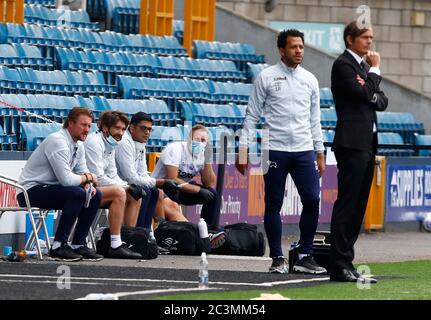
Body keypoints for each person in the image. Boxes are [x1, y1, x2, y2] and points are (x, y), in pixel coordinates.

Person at [236, 29, 326, 274]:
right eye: (294, 47)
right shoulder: (266, 77)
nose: (299, 51)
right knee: (273, 203)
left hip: (304, 149)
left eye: (301, 47)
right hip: (274, 149)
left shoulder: (310, 79)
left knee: (312, 199)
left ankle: (305, 255)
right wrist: (243, 147)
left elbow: (315, 119)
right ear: (282, 50)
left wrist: (320, 151)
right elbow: (252, 115)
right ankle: (277, 258)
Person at [329, 21, 387, 283]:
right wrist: (374, 73)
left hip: (366, 144)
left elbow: (381, 101)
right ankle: (339, 263)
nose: (370, 42)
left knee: (358, 207)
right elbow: (363, 92)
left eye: (371, 37)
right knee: (348, 204)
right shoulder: (344, 65)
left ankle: (347, 261)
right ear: (350, 39)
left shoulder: (362, 67)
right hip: (351, 143)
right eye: (365, 37)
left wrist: (370, 83)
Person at [17, 107, 103, 262]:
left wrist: (88, 183)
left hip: (52, 188)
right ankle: (58, 246)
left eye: (89, 126)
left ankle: (78, 244)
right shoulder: (57, 140)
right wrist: (89, 177)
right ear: (70, 123)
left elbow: (82, 173)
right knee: (77, 193)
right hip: (30, 191)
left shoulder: (79, 145)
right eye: (83, 125)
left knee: (95, 194)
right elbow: (67, 180)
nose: (87, 130)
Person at [84, 110, 142, 259]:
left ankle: (126, 240)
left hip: (96, 187)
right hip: (85, 187)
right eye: (117, 128)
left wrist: (129, 186)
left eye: (123, 129)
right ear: (105, 128)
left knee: (134, 196)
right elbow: (99, 178)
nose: (121, 133)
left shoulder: (111, 144)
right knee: (120, 192)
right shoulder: (93, 142)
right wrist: (126, 187)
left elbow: (113, 174)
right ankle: (114, 245)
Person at [115, 112, 185, 228]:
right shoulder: (124, 143)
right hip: (119, 183)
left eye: (149, 129)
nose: (147, 132)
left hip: (129, 183)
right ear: (132, 128)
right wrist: (159, 182)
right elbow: (130, 177)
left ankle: (147, 232)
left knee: (155, 192)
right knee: (145, 192)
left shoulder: (141, 143)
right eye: (143, 128)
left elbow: (142, 173)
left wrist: (156, 185)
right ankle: (137, 232)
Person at [151, 125, 220, 234]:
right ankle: (193, 233)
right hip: (163, 188)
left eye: (203, 141)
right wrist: (198, 190)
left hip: (180, 190)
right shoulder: (175, 149)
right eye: (197, 139)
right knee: (173, 207)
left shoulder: (202, 154)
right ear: (189, 139)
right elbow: (172, 179)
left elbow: (209, 182)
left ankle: (208, 231)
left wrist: (207, 160)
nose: (200, 143)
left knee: (212, 195)